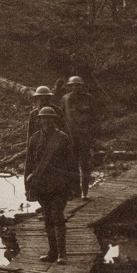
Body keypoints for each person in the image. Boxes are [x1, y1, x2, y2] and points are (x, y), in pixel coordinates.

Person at [24, 106, 78, 262]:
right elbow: (29, 164)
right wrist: (28, 185)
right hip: (41, 184)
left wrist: (73, 186)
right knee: (47, 217)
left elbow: (71, 164)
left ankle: (62, 254)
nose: (46, 121)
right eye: (43, 118)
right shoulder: (34, 139)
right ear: (39, 120)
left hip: (59, 184)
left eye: (49, 118)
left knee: (58, 216)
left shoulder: (63, 138)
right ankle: (52, 252)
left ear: (55, 120)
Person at [61, 75, 99, 199]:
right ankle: (75, 191)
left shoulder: (89, 99)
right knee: (72, 164)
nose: (75, 88)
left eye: (78, 85)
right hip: (70, 137)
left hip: (85, 136)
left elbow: (95, 118)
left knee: (85, 164)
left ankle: (85, 191)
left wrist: (93, 135)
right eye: (73, 85)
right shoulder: (65, 99)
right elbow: (61, 117)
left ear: (82, 86)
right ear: (69, 87)